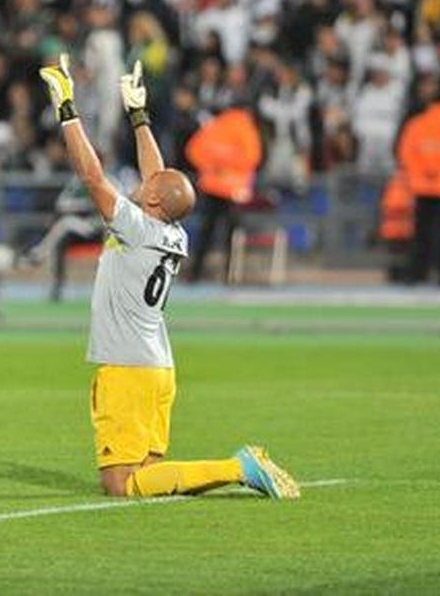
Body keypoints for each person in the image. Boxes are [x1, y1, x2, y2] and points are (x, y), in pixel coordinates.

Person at [38, 55, 298, 499]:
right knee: (151, 479)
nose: (145, 181)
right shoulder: (173, 233)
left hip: (127, 368)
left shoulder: (138, 227)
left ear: (155, 201)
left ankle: (239, 466)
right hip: (159, 367)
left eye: (152, 185)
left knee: (122, 485)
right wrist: (138, 116)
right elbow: (159, 178)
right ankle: (237, 470)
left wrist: (67, 108)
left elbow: (92, 176)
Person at [396, 81, 440, 285]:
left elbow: (406, 153)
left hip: (422, 186)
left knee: (421, 234)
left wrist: (425, 170)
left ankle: (417, 274)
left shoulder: (418, 124)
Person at [184, 104, 262, 282]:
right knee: (231, 234)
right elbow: (253, 158)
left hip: (212, 186)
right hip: (234, 189)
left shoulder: (216, 125)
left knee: (207, 232)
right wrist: (230, 167)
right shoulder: (246, 128)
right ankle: (230, 275)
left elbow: (192, 151)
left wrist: (212, 166)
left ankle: (196, 273)